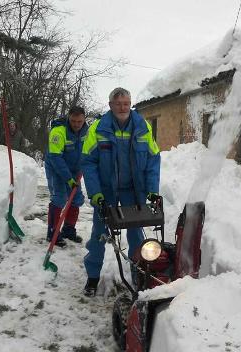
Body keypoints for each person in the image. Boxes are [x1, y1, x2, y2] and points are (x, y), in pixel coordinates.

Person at [81, 87, 161, 297]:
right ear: (110, 106)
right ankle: (92, 276)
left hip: (133, 191)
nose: (122, 107)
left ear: (130, 104)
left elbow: (153, 159)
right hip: (106, 191)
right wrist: (95, 193)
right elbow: (88, 163)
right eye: (118, 104)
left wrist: (152, 190)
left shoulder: (142, 126)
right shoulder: (98, 128)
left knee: (136, 235)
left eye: (126, 103)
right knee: (100, 234)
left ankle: (137, 272)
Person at [44, 106, 88, 248]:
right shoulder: (58, 131)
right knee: (59, 198)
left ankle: (69, 230)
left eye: (79, 121)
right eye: (73, 121)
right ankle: (53, 233)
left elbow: (91, 151)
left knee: (76, 199)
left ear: (84, 120)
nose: (76, 124)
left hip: (75, 170)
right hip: (56, 168)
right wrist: (69, 180)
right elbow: (56, 157)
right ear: (69, 117)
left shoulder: (87, 132)